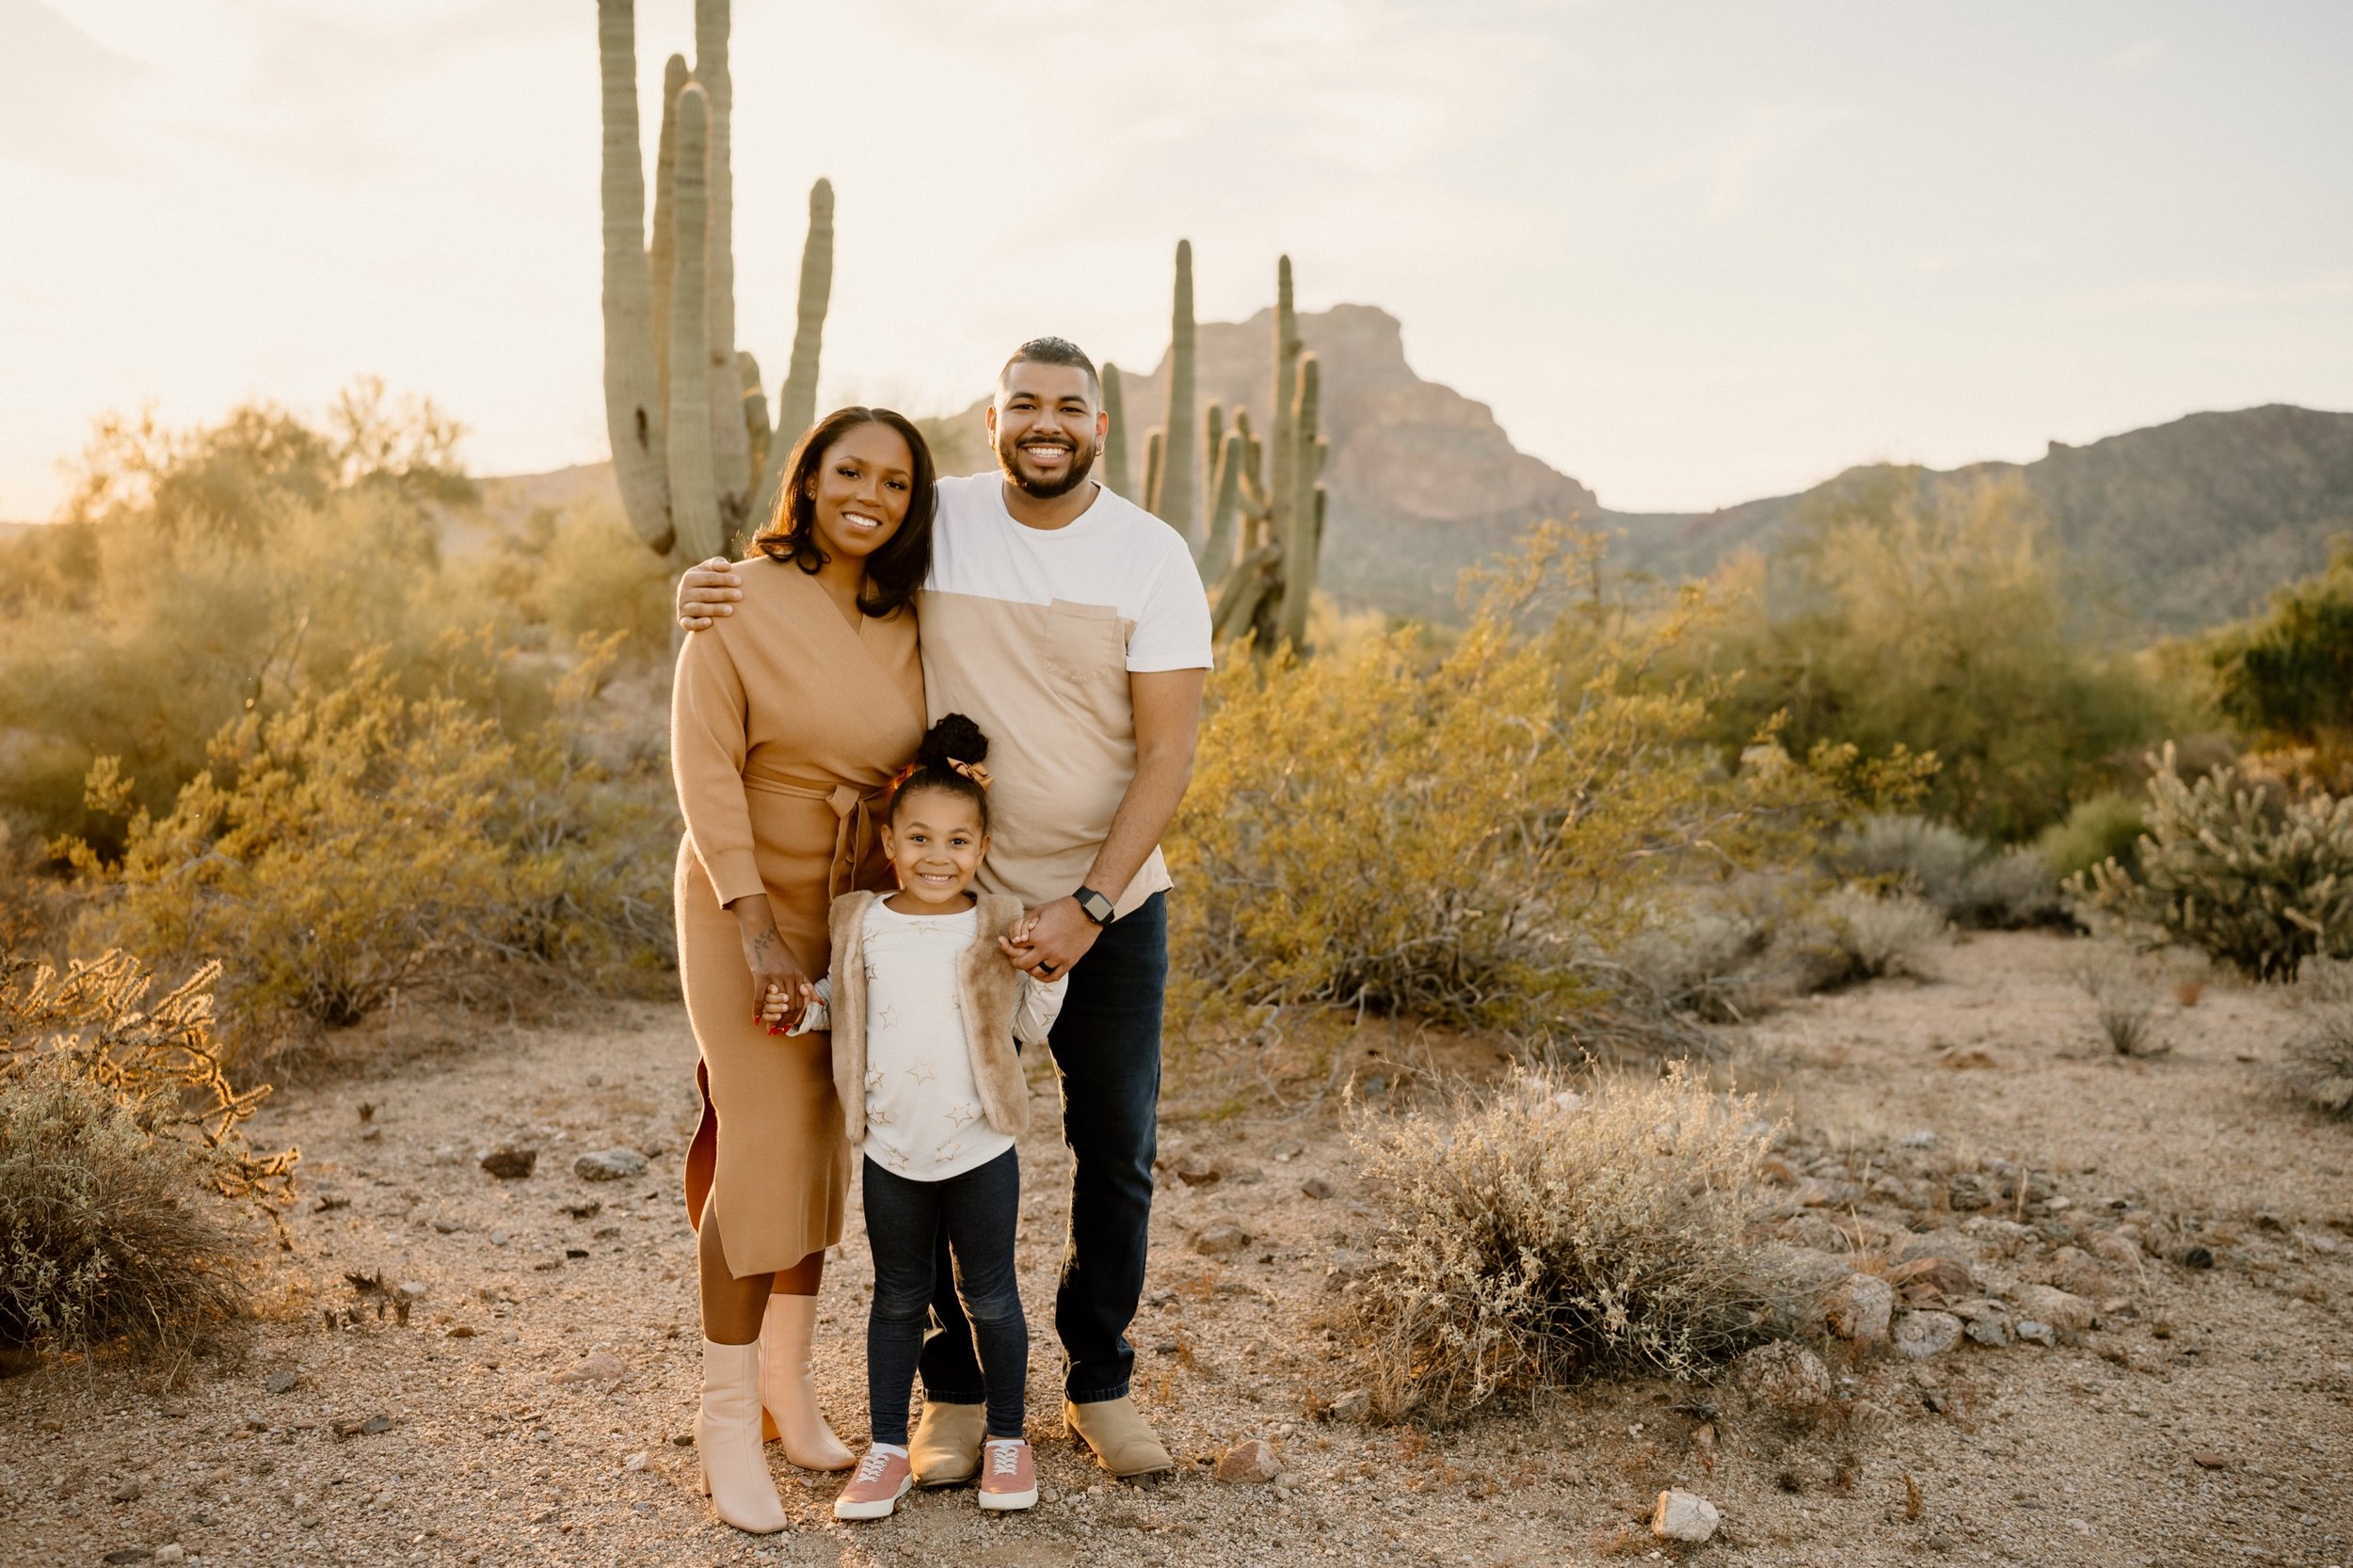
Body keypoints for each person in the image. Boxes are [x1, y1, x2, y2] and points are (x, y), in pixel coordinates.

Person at [677, 336, 1211, 1484]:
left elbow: (1168, 754)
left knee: (1114, 1147)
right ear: (993, 418)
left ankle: (1099, 1381)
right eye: (1026, 403)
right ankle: (952, 1394)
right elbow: (798, 589)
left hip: (1101, 903)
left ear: (1101, 425)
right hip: (937, 903)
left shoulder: (1150, 555)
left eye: (1070, 406)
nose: (1047, 423)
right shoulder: (942, 517)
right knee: (915, 1126)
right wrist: (701, 584)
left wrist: (1092, 900)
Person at [669, 406, 936, 1534]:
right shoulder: (737, 595)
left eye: (894, 479)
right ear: (810, 478)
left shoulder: (916, 617)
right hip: (746, 902)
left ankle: (786, 1390)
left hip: (851, 908)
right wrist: (756, 925)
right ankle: (724, 1419)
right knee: (765, 1146)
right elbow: (702, 764)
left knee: (822, 1155)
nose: (869, 492)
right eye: (849, 470)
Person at [768, 714, 1062, 1521]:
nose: (940, 857)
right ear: (890, 844)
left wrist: (1047, 967)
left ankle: (1008, 1439)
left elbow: (1028, 1025)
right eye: (922, 839)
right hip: (891, 1146)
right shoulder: (861, 920)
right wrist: (798, 1012)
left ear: (982, 848)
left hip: (979, 1143)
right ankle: (888, 1451)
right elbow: (839, 1006)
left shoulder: (998, 922)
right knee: (897, 1298)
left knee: (992, 1296)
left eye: (960, 842)